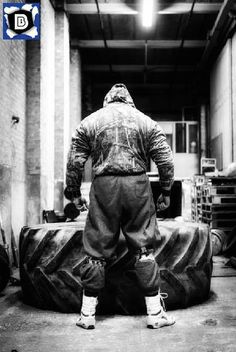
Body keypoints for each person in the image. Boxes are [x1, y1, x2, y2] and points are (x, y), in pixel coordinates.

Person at [64, 83, 175, 330]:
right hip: (137, 185)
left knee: (96, 249)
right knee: (144, 248)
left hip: (104, 186)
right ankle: (155, 315)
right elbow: (165, 159)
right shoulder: (145, 121)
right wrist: (166, 191)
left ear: (107, 101)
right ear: (129, 101)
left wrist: (73, 194)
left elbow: (74, 161)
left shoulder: (90, 122)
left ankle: (87, 315)